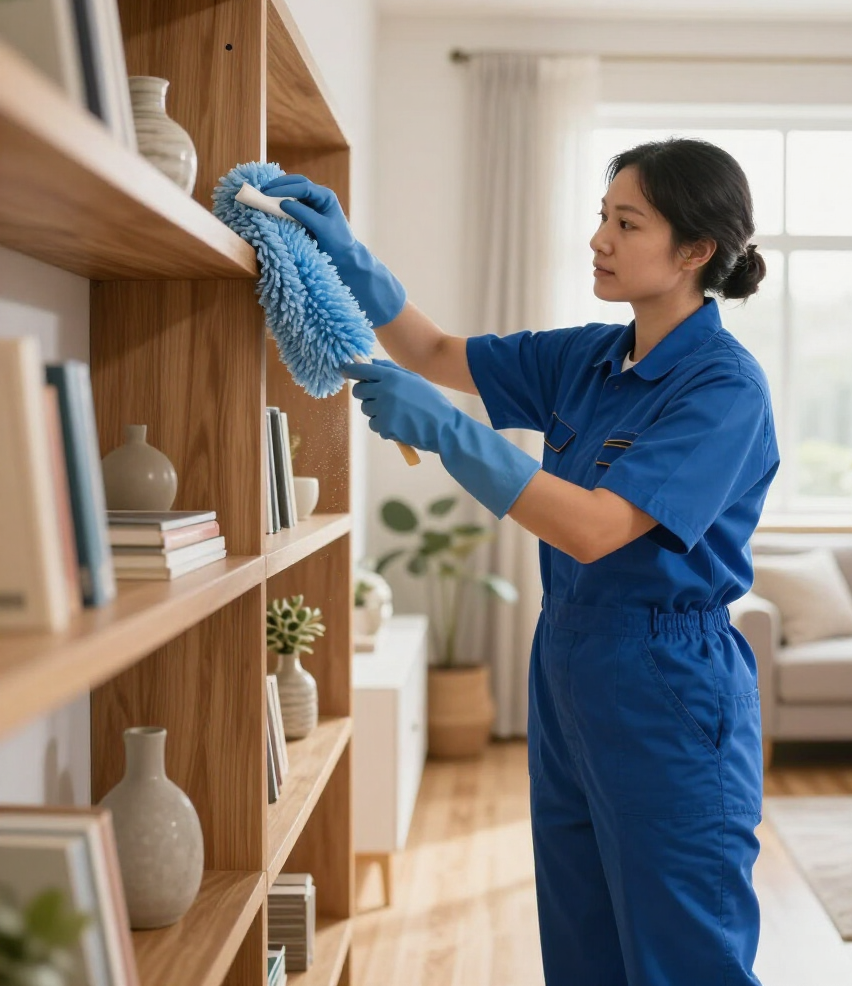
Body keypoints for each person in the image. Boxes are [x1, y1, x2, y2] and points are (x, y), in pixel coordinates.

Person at [264, 136, 780, 986]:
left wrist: (449, 433)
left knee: (685, 957)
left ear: (695, 252)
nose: (599, 240)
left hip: (668, 684)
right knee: (581, 944)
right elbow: (433, 353)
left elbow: (591, 528)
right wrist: (344, 251)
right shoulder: (587, 357)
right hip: (570, 662)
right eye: (601, 217)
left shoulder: (724, 389)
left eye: (627, 222)